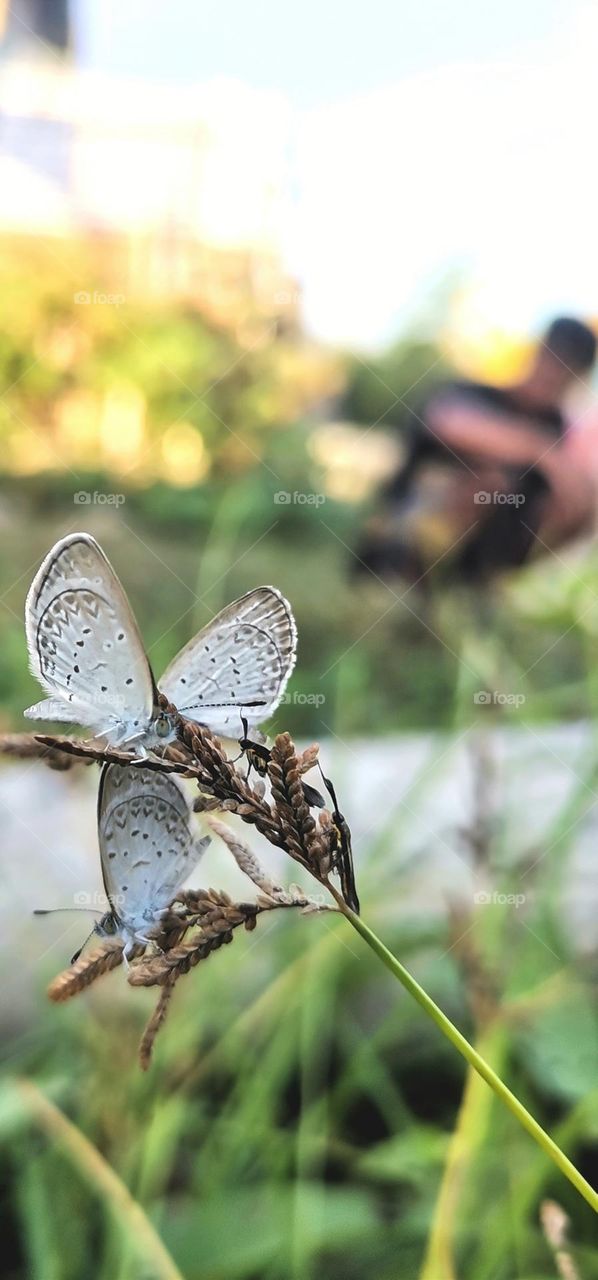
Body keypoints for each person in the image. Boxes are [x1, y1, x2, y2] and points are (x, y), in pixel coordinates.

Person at [356, 316, 597, 584]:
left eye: (565, 372)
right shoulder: (470, 393)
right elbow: (447, 422)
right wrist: (540, 451)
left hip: (481, 552)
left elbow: (572, 495)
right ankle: (402, 572)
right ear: (539, 354)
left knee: (582, 501)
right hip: (401, 529)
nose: (553, 377)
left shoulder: (554, 426)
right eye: (552, 363)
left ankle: (483, 580)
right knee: (489, 483)